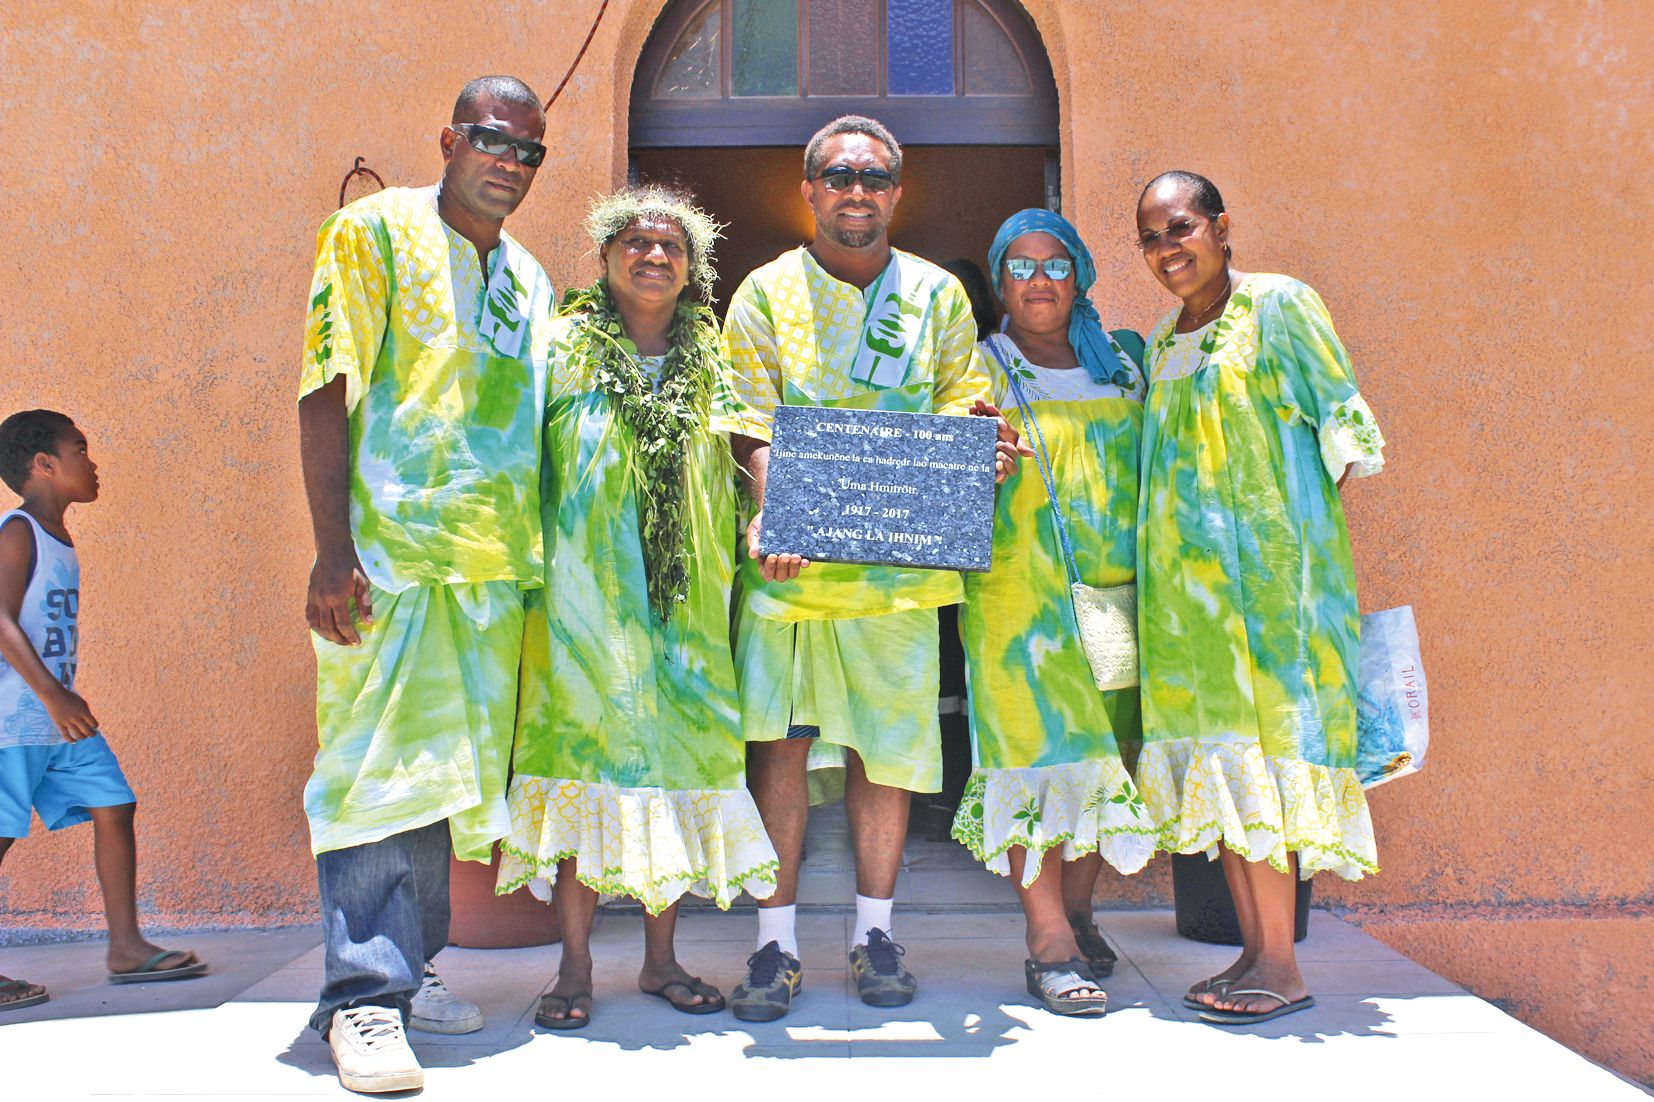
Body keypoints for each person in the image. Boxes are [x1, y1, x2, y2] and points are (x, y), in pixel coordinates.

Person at [720, 114, 1023, 1022]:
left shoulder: (935, 295)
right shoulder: (766, 294)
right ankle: (773, 947)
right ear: (808, 189)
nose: (858, 190)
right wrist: (775, 510)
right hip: (793, 574)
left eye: (876, 176)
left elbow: (960, 404)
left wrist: (981, 451)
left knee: (886, 756)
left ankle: (875, 933)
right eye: (839, 174)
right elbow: (748, 419)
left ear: (898, 191)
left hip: (898, 578)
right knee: (781, 750)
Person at [297, 76, 554, 1092]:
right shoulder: (372, 232)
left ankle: (413, 970)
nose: (509, 162)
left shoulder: (528, 278)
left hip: (490, 574)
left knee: (444, 780)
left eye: (529, 152)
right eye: (494, 140)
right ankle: (361, 999)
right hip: (388, 566)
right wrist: (332, 550)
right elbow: (325, 384)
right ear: (450, 137)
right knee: (371, 777)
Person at [497, 185, 777, 1030]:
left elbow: (749, 443)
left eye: (672, 247)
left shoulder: (714, 354)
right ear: (607, 255)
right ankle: (574, 970)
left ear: (693, 268)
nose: (655, 256)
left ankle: (661, 962)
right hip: (581, 602)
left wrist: (768, 512)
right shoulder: (557, 346)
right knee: (586, 766)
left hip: (688, 603)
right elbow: (518, 459)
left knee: (679, 764)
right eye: (637, 242)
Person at [1133, 171, 1386, 1025]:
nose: (1170, 250)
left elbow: (1342, 436)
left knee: (1269, 770)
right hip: (1186, 611)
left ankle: (1283, 964)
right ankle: (1252, 952)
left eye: (1181, 229)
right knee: (1230, 776)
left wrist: (1290, 562)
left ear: (1220, 226)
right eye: (1153, 239)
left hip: (1272, 602)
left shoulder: (1278, 305)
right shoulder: (1167, 339)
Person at [952, 210, 1157, 1016]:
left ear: (1082, 277)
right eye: (1022, 266)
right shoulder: (975, 370)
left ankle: (1078, 912)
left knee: (1108, 750)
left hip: (1118, 596)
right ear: (1001, 282)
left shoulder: (1126, 367)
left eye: (1057, 264)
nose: (1040, 280)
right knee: (1035, 755)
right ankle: (1046, 941)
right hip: (1017, 601)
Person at [0, 411, 206, 1012]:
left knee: (115, 803)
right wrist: (54, 693)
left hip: (55, 721)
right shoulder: (18, 531)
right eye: (81, 449)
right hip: (16, 719)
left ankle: (126, 946)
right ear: (44, 464)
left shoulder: (56, 534)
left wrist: (59, 701)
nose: (93, 463)